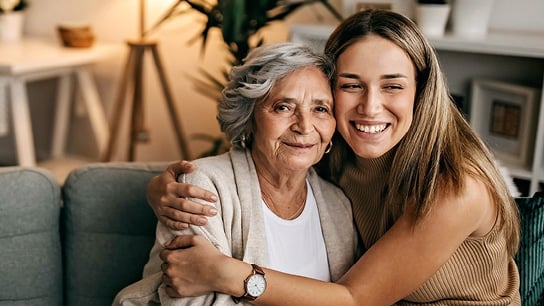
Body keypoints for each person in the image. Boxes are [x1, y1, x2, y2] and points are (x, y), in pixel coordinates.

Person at [147, 9, 521, 305]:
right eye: (351, 85)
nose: (370, 108)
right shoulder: (334, 147)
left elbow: (356, 299)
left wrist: (226, 274)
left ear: (422, 92)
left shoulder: (457, 188)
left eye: (392, 86)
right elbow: (262, 163)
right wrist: (159, 188)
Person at [113, 42, 358, 305]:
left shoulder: (338, 206)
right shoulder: (203, 187)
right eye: (283, 107)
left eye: (320, 109)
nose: (304, 126)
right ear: (249, 118)